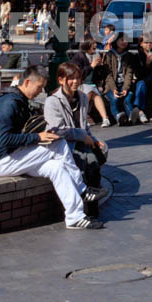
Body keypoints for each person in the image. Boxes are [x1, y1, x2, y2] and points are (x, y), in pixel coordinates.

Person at [0, 66, 100, 230]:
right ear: (26, 82)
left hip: (14, 156)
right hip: (1, 161)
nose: (41, 92)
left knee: (57, 167)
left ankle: (75, 217)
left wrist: (40, 134)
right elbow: (3, 140)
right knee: (58, 143)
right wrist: (38, 137)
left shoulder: (19, 101)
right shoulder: (8, 104)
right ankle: (82, 190)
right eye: (39, 87)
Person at [45, 61, 108, 219]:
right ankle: (88, 209)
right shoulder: (52, 101)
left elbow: (84, 125)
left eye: (78, 78)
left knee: (98, 154)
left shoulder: (82, 98)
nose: (75, 82)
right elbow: (57, 130)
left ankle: (92, 207)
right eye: (71, 78)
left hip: (82, 142)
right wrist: (82, 136)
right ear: (61, 80)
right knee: (90, 162)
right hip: (64, 146)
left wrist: (92, 139)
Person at [97, 32, 140, 125]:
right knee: (115, 99)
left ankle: (132, 117)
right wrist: (114, 89)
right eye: (122, 40)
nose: (124, 42)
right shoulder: (109, 55)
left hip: (124, 84)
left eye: (126, 40)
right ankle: (119, 117)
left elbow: (129, 74)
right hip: (110, 86)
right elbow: (108, 75)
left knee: (127, 100)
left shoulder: (129, 56)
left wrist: (125, 88)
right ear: (116, 41)